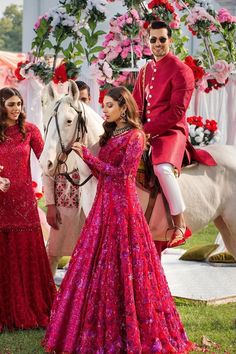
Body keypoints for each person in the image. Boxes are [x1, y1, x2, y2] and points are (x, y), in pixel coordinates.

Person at [42, 86, 193, 353]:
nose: (105, 110)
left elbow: (123, 174)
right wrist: (86, 160)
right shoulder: (111, 135)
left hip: (123, 209)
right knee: (94, 265)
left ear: (124, 108)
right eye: (104, 104)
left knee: (126, 268)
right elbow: (103, 176)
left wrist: (88, 157)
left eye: (110, 105)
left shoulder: (136, 136)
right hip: (103, 205)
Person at [133, 21, 216, 251]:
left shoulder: (182, 70)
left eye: (162, 39)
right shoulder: (144, 71)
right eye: (153, 40)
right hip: (144, 132)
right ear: (147, 42)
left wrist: (146, 132)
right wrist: (133, 129)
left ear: (170, 40)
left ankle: (179, 223)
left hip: (171, 131)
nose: (157, 44)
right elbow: (136, 106)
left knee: (161, 169)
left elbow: (176, 112)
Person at [0, 87, 56, 332]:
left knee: (26, 253)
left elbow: (47, 160)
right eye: (10, 104)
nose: (16, 109)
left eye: (19, 104)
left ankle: (33, 307)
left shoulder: (30, 130)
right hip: (1, 202)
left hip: (24, 202)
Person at [43, 82, 92, 276]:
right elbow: (46, 171)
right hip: (65, 202)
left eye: (84, 99)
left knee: (87, 254)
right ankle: (47, 295)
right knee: (54, 251)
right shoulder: (61, 132)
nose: (81, 103)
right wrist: (51, 205)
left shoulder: (98, 131)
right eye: (79, 99)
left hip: (89, 205)